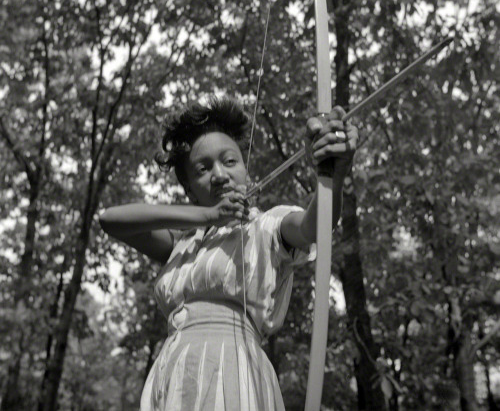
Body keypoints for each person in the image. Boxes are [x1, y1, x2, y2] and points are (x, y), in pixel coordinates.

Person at [99, 95, 358, 411]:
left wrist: (331, 176)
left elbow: (312, 227)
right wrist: (206, 217)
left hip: (233, 368)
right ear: (190, 189)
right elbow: (110, 219)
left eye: (230, 161)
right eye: (203, 168)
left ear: (246, 171)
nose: (219, 174)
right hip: (172, 374)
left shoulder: (265, 225)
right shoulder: (181, 243)